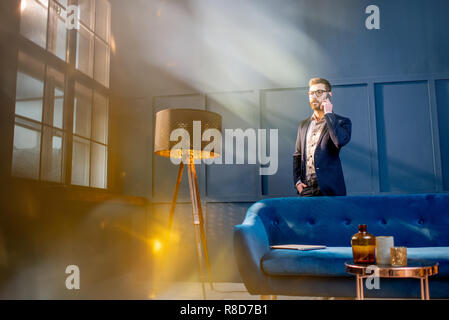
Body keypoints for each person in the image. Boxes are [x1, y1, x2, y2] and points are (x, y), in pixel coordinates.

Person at [293, 78, 352, 197]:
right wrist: (297, 182)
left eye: (319, 92)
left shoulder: (342, 122)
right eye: (311, 93)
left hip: (330, 189)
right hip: (306, 188)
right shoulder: (303, 125)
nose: (314, 96)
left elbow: (339, 141)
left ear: (329, 94)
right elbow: (297, 155)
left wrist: (329, 114)